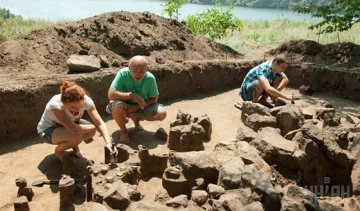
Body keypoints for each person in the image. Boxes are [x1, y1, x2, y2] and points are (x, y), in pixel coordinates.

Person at [37, 81, 117, 162]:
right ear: (64, 102)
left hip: (66, 125)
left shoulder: (86, 100)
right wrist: (94, 127)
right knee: (78, 136)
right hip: (47, 131)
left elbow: (100, 123)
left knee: (89, 132)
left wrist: (108, 143)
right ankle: (59, 151)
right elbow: (74, 129)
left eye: (80, 106)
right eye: (73, 107)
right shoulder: (56, 105)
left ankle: (74, 145)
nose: (77, 109)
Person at [106, 55, 166, 144]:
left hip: (140, 105)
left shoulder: (150, 78)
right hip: (123, 105)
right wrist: (133, 96)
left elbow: (154, 98)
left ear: (147, 70)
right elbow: (111, 95)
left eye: (141, 71)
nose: (138, 74)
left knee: (161, 114)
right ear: (129, 69)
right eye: (134, 71)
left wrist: (135, 107)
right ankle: (124, 131)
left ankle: (136, 119)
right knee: (118, 106)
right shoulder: (122, 74)